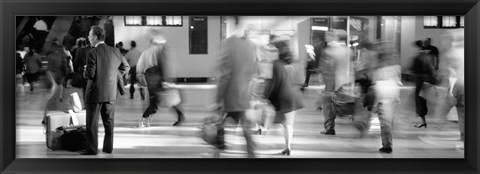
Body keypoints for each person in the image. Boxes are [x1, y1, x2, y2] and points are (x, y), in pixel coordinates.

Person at [81, 25, 130, 155]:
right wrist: (115, 76)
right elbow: (126, 66)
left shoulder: (92, 53)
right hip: (110, 93)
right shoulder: (115, 51)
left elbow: (90, 75)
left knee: (92, 124)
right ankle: (108, 148)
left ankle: (92, 149)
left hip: (94, 94)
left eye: (90, 35)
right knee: (109, 123)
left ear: (96, 37)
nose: (88, 38)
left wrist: (85, 70)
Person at [213, 17, 257, 158]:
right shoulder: (251, 45)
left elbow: (225, 75)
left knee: (219, 127)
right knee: (246, 130)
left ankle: (216, 155)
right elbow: (253, 71)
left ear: (233, 24)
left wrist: (217, 98)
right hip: (244, 95)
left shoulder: (228, 44)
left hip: (230, 96)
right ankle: (252, 156)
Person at [264, 38, 304, 156]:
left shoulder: (276, 64)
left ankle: (283, 143)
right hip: (294, 96)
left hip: (283, 96)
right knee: (289, 124)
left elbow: (274, 83)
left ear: (279, 51)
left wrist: (266, 97)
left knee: (282, 121)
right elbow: (301, 80)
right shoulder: (295, 62)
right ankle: (288, 147)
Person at [136, 36, 185, 127]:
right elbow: (164, 66)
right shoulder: (159, 52)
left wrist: (141, 80)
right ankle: (180, 116)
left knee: (156, 101)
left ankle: (144, 120)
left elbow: (139, 68)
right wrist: (167, 80)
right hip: (158, 79)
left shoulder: (145, 53)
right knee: (168, 99)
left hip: (150, 80)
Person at [371, 41, 402, 153]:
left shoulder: (378, 67)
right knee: (388, 120)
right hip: (393, 93)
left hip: (383, 94)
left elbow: (375, 82)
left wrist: (375, 101)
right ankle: (387, 142)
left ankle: (387, 145)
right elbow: (398, 80)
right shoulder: (396, 65)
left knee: (385, 121)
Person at [320, 29, 353, 135]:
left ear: (332, 37)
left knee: (328, 105)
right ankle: (348, 115)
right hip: (347, 81)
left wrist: (326, 84)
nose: (326, 38)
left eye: (327, 36)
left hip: (333, 82)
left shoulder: (328, 51)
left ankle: (329, 128)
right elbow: (352, 66)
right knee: (344, 103)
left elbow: (328, 69)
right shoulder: (348, 50)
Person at [438, 29, 464, 150]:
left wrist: (450, 91)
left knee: (462, 113)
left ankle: (464, 139)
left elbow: (452, 74)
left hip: (459, 85)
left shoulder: (452, 53)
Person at [411, 40, 435, 128]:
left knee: (420, 100)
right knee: (422, 99)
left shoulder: (418, 56)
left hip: (420, 80)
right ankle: (423, 120)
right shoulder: (427, 56)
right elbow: (431, 68)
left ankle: (423, 121)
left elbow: (414, 68)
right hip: (427, 80)